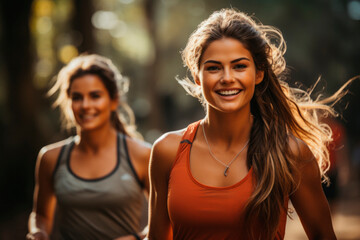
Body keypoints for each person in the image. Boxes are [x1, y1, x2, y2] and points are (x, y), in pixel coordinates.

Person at [146, 8, 348, 239]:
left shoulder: (290, 153)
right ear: (197, 76)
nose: (227, 78)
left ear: (259, 73)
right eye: (213, 68)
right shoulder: (167, 150)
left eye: (239, 66)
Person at [27, 54, 151, 240]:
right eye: (77, 97)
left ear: (113, 100)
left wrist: (135, 238)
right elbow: (41, 215)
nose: (85, 105)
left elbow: (166, 221)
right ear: (68, 102)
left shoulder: (142, 154)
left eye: (95, 96)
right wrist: (39, 232)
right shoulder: (50, 158)